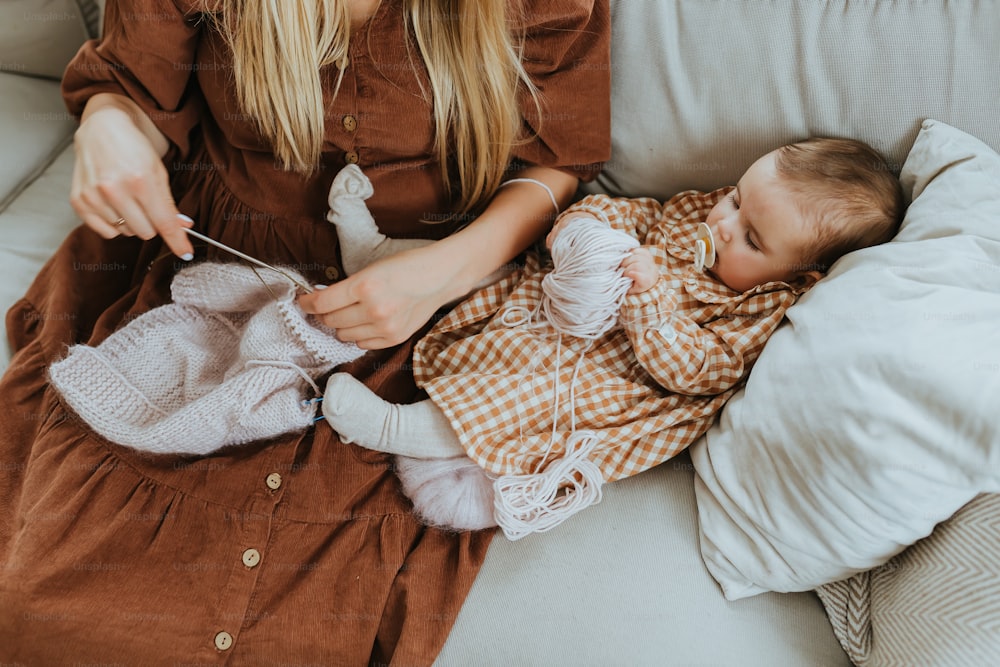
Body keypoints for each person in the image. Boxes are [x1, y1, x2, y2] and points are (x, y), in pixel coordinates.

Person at [0, 0, 610, 663]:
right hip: (217, 270)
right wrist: (111, 124)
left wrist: (440, 276)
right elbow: (137, 88)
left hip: (435, 291)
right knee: (51, 616)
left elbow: (557, 161)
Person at [319, 137, 906, 538]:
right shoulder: (710, 212)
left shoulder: (763, 309)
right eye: (734, 198)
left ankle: (395, 427)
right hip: (558, 302)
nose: (721, 224)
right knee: (491, 266)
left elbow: (701, 370)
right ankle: (380, 257)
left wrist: (648, 297)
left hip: (614, 378)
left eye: (750, 238)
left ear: (799, 276)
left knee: (526, 399)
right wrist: (583, 234)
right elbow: (630, 213)